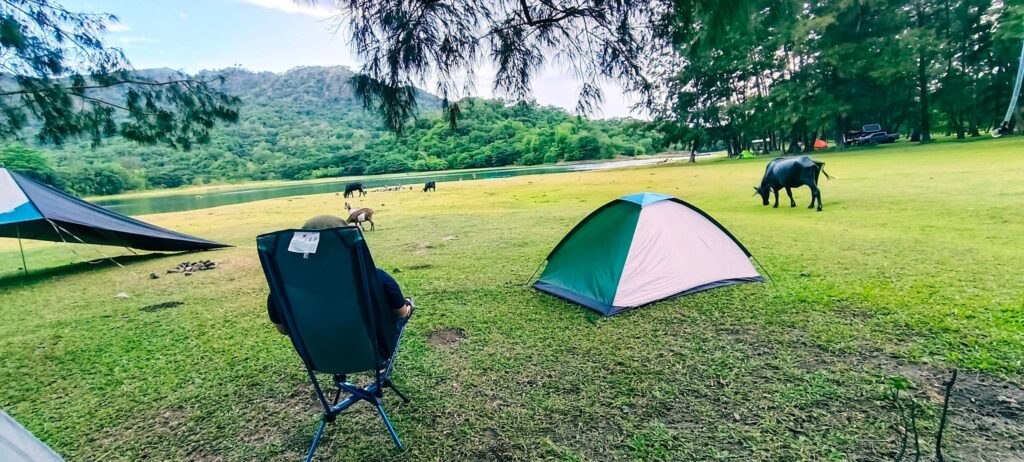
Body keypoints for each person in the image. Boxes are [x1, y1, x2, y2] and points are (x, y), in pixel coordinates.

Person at [266, 215, 412, 336]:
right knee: (407, 306)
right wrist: (408, 306)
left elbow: (283, 330)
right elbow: (401, 313)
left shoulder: (281, 290)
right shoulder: (376, 277)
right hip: (372, 352)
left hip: (319, 357)